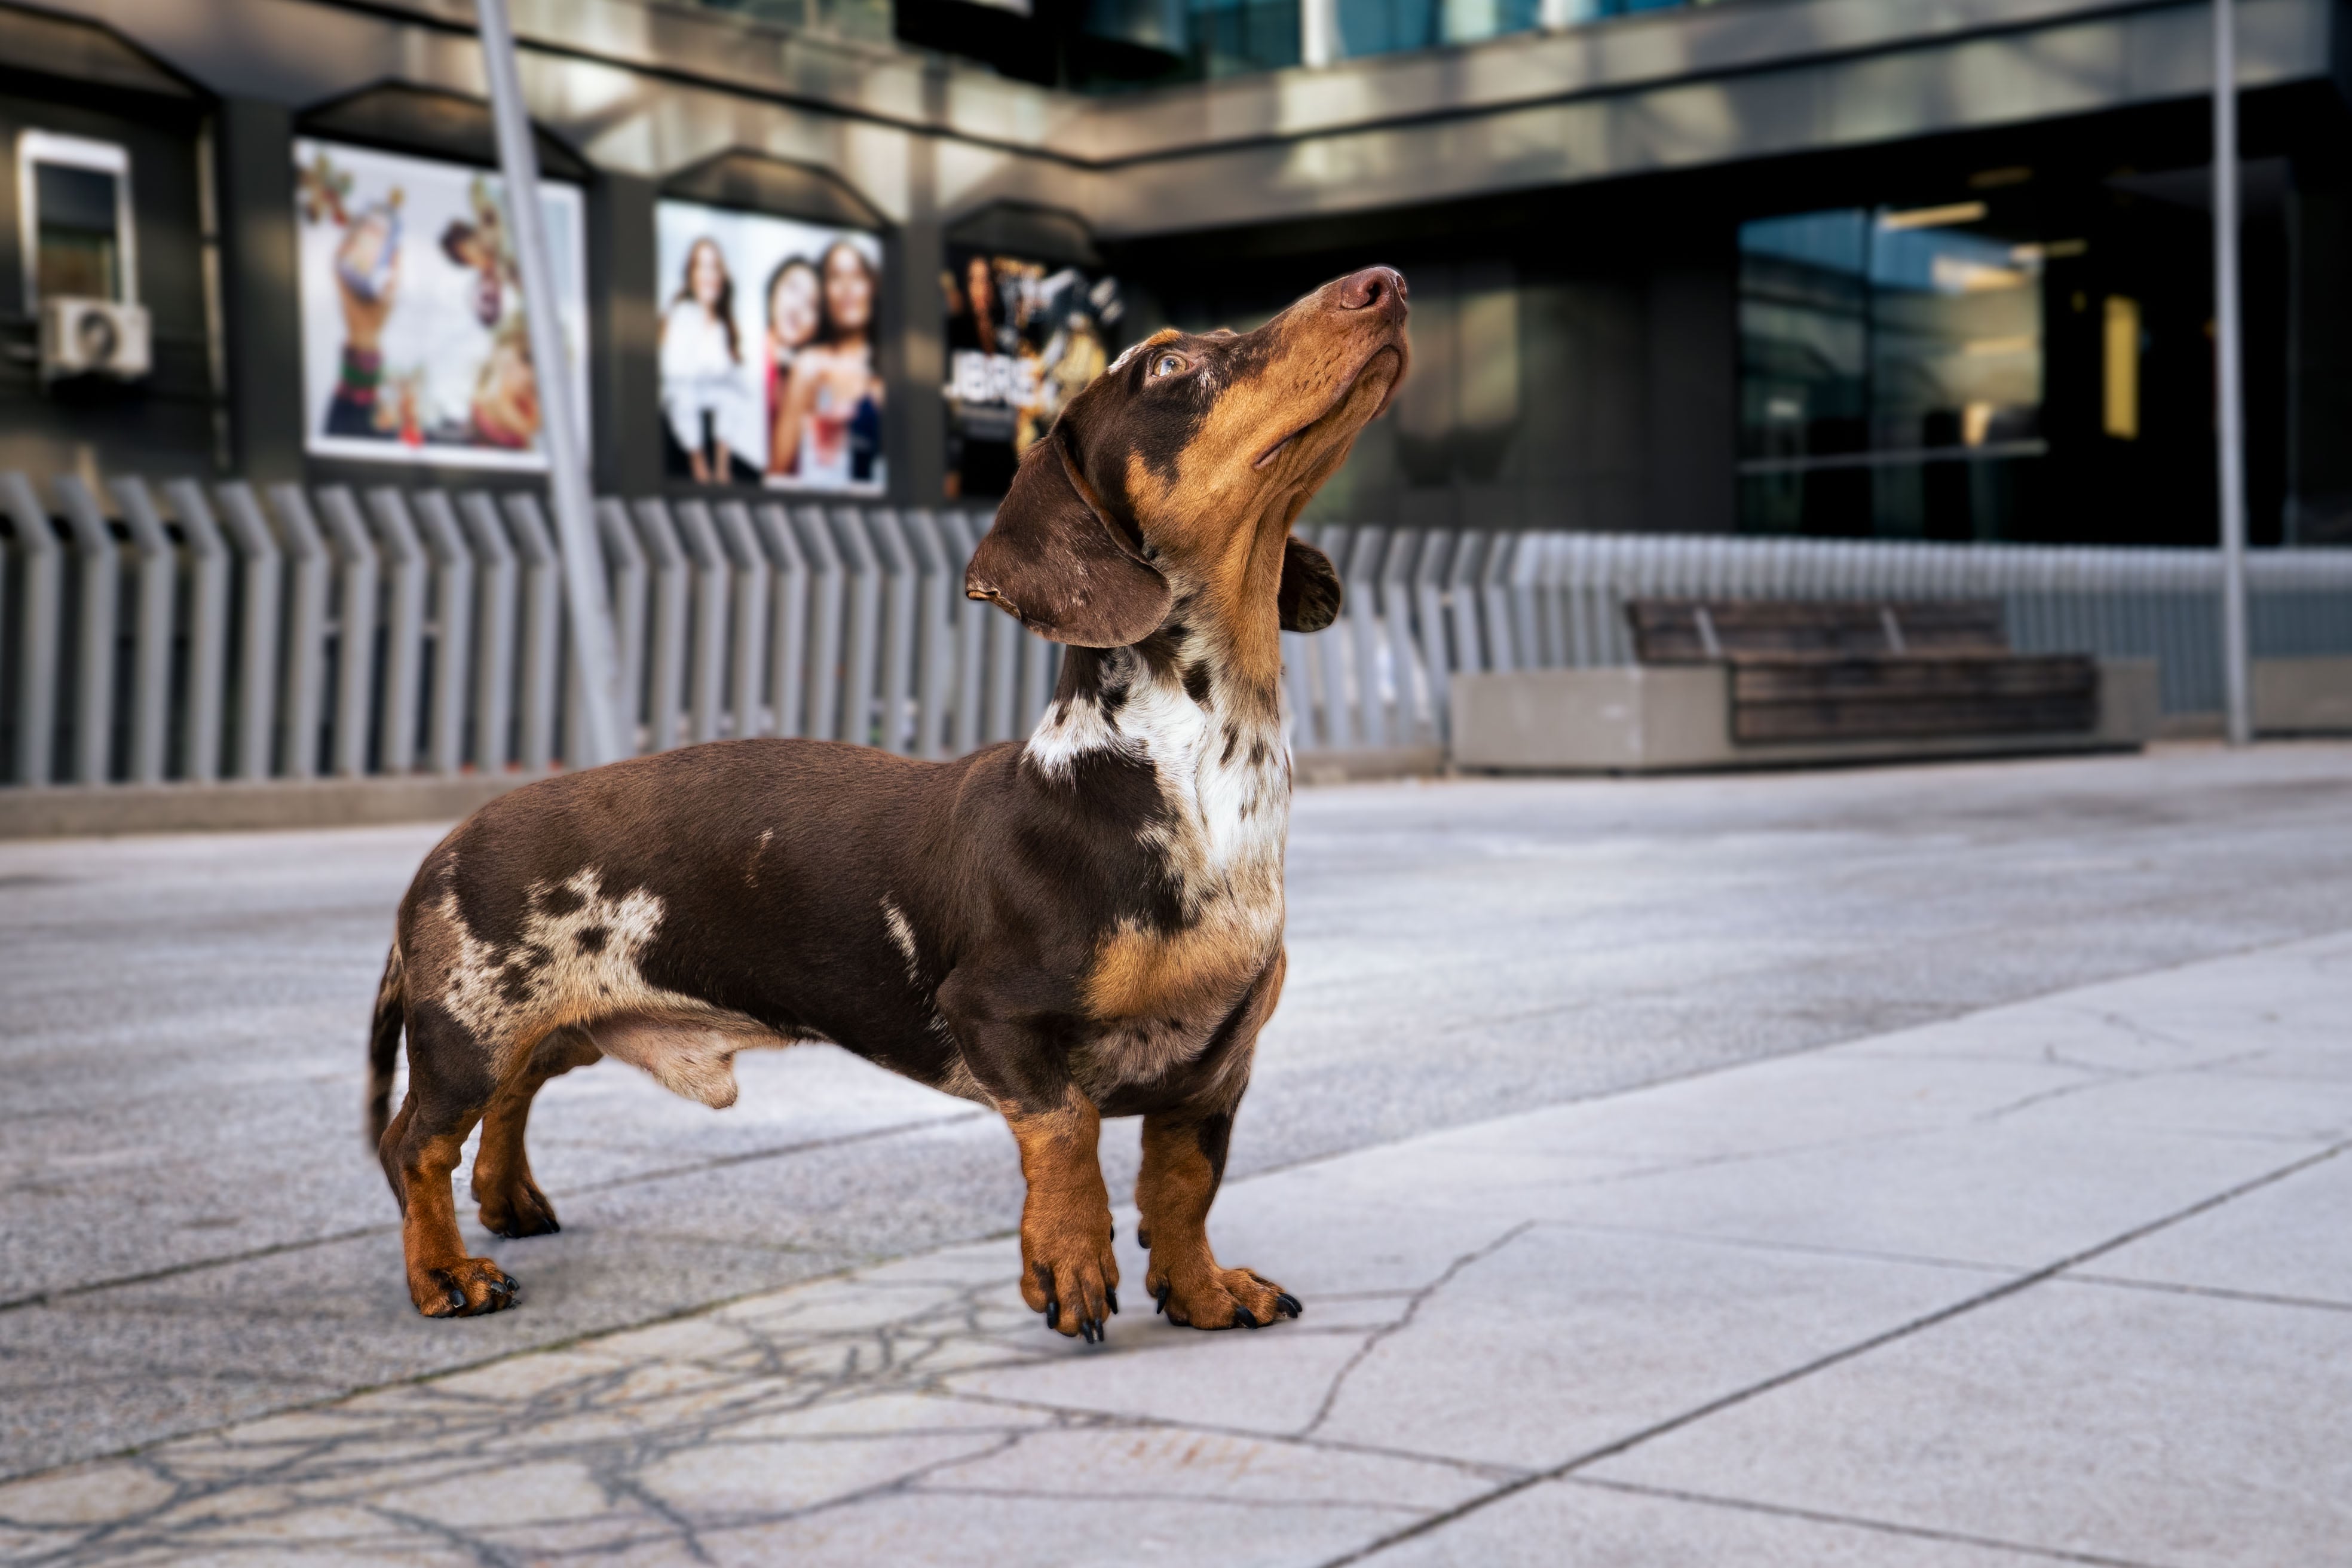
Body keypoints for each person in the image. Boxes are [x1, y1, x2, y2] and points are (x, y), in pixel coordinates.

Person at [774, 239, 886, 491]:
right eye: (835, 277)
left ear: (871, 287)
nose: (847, 288)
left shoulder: (894, 370)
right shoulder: (809, 366)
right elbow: (778, 476)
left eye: (857, 276)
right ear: (823, 292)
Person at [660, 237, 750, 485]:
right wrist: (699, 463)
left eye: (714, 267)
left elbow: (735, 394)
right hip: (684, 446)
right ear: (691, 275)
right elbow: (680, 391)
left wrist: (722, 468)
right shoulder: (682, 319)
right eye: (702, 267)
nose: (709, 275)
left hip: (717, 448)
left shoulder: (724, 326)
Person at [762, 256, 820, 478]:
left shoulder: (809, 378)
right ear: (773, 292)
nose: (797, 307)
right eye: (792, 288)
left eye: (811, 304)